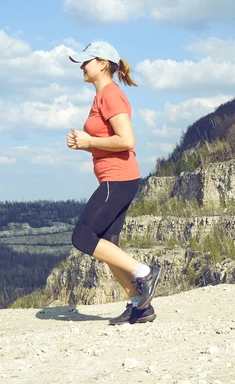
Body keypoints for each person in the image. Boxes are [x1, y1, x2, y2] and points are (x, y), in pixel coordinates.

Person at [67, 40, 161, 325]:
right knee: (108, 243)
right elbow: (111, 142)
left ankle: (144, 273)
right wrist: (85, 145)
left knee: (82, 237)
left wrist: (90, 140)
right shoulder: (101, 97)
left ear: (102, 64)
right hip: (118, 177)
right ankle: (139, 306)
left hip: (118, 178)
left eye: (86, 61)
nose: (82, 66)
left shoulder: (111, 95)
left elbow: (127, 140)